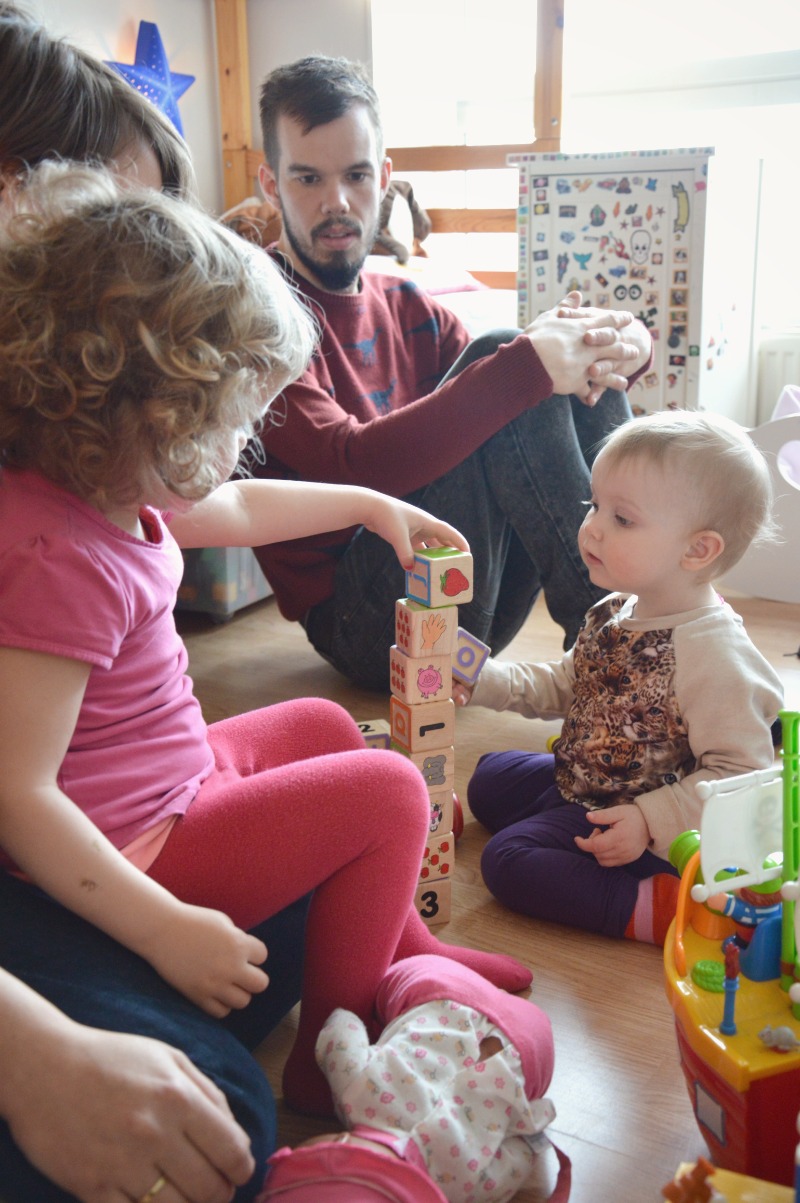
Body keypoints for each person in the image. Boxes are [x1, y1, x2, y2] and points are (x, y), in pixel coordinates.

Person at [0, 157, 536, 1170]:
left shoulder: (106, 480)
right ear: (141, 413)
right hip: (136, 845)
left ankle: (403, 953)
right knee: (387, 790)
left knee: (325, 727)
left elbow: (241, 505)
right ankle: (332, 1060)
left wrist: (375, 506)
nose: (243, 442)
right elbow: (19, 796)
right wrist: (163, 928)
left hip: (168, 781)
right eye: (227, 422)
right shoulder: (52, 551)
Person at [0, 8, 308, 1200]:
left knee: (219, 1062)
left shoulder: (76, 479)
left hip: (86, 844)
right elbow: (25, 792)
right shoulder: (54, 526)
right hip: (56, 856)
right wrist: (32, 1050)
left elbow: (223, 506)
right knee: (213, 1127)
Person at [247, 54, 654, 691]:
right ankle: (630, 658)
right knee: (514, 360)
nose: (337, 202)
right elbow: (351, 464)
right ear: (271, 185)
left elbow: (513, 411)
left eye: (356, 175)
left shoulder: (408, 305)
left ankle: (657, 621)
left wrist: (627, 344)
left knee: (522, 367)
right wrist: (531, 361)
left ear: (384, 178)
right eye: (308, 179)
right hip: (365, 624)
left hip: (467, 591)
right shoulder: (256, 319)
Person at [456, 410, 784, 945]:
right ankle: (566, 828)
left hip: (639, 820)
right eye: (594, 505)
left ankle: (654, 905)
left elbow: (740, 776)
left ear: (697, 550)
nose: (593, 526)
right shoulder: (617, 608)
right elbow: (569, 684)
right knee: (489, 777)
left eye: (623, 519)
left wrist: (650, 820)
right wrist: (483, 678)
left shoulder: (714, 654)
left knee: (507, 861)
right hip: (588, 781)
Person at [258, 955, 567, 1203]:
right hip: (442, 988)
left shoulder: (462, 1185)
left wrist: (524, 1123)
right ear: (337, 1143)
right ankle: (424, 953)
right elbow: (342, 1025)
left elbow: (523, 1153)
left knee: (526, 1089)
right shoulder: (356, 1094)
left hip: (529, 1040)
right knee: (389, 979)